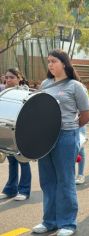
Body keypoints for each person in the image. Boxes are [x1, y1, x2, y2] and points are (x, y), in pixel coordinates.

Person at [32, 49, 89, 236]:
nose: (50, 64)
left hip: (66, 136)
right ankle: (49, 221)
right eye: (48, 61)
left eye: (54, 61)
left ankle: (67, 223)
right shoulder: (45, 84)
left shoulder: (75, 86)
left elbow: (85, 115)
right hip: (45, 137)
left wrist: (70, 127)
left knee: (65, 180)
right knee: (47, 181)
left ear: (64, 63)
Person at [0, 68, 32, 201]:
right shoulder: (4, 92)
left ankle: (24, 190)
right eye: (6, 77)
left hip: (22, 132)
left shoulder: (26, 93)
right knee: (11, 160)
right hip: (8, 130)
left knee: (23, 161)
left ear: (19, 78)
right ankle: (10, 189)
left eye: (11, 77)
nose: (8, 80)